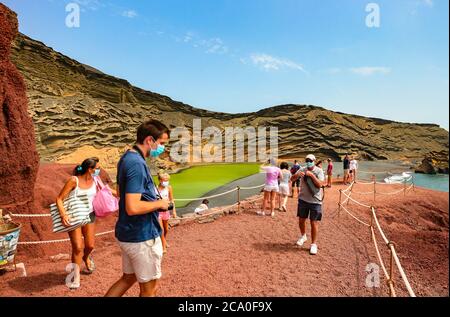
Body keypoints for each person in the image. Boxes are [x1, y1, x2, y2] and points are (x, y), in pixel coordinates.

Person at [105, 120, 170, 298]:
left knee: (128, 278)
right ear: (150, 140)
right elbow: (132, 207)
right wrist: (160, 204)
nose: (162, 148)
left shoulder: (128, 157)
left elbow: (120, 191)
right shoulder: (137, 164)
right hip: (142, 236)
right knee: (150, 289)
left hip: (128, 233)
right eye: (162, 143)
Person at [56, 157, 114, 289]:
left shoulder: (96, 180)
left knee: (90, 246)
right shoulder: (73, 180)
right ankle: (76, 277)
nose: (99, 170)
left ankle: (86, 258)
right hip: (75, 216)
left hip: (89, 216)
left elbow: (109, 191)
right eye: (97, 168)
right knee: (77, 247)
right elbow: (59, 199)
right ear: (90, 169)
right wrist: (63, 214)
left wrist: (126, 195)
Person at [291, 154, 326, 255]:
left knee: (313, 222)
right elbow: (292, 179)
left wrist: (312, 175)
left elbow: (320, 184)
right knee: (301, 220)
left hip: (315, 201)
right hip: (303, 200)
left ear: (314, 161)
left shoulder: (319, 171)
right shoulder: (302, 169)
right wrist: (297, 175)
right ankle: (303, 236)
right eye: (307, 160)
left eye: (310, 160)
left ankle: (313, 244)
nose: (308, 161)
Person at [156, 170, 177, 254]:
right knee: (161, 229)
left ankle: (164, 240)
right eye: (165, 180)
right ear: (160, 180)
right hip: (158, 211)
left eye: (167, 180)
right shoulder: (156, 189)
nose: (167, 182)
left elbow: (172, 200)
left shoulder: (169, 188)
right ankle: (163, 246)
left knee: (166, 229)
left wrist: (174, 212)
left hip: (166, 211)